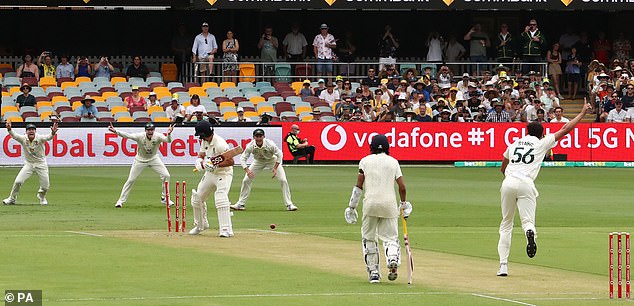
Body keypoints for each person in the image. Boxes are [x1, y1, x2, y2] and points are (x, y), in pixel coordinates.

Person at [496, 102, 591, 277]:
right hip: (526, 184)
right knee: (527, 222)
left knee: (506, 224)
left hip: (508, 182)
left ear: (527, 132)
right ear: (541, 134)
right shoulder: (541, 143)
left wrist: (509, 180)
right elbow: (565, 129)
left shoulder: (515, 143)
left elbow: (503, 167)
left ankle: (503, 266)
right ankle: (530, 233)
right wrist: (583, 113)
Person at [344, 134, 411, 283]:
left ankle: (374, 272)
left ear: (371, 147)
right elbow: (402, 187)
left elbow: (358, 186)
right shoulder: (393, 162)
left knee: (369, 238)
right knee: (391, 238)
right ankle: (392, 258)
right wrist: (404, 204)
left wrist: (352, 206)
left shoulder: (365, 161)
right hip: (389, 205)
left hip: (370, 204)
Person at [108, 122, 174, 208]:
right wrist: (116, 131)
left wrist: (169, 134)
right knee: (131, 180)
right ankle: (120, 201)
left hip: (154, 159)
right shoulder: (140, 136)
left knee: (166, 175)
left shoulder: (158, 136)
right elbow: (128, 135)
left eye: (152, 130)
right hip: (140, 160)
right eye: (148, 130)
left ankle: (165, 198)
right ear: (145, 130)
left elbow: (168, 140)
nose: (150, 132)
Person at [230, 128, 298, 212]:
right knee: (246, 180)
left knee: (283, 180)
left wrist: (275, 168)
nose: (258, 138)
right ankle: (240, 204)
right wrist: (247, 170)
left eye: (260, 136)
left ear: (264, 136)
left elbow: (280, 155)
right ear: (254, 137)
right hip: (258, 161)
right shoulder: (250, 145)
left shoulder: (270, 144)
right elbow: (243, 158)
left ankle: (289, 204)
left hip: (272, 160)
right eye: (256, 136)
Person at [189, 121, 235, 237]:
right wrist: (199, 161)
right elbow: (201, 155)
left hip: (223, 174)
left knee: (220, 198)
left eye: (201, 135)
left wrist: (216, 165)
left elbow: (231, 162)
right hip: (210, 174)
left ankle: (226, 229)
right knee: (197, 198)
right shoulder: (205, 141)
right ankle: (201, 225)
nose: (200, 137)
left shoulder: (220, 144)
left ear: (205, 133)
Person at [3, 121, 58, 206]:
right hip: (29, 164)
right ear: (26, 132)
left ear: (35, 131)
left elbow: (48, 137)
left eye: (32, 129)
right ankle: (11, 199)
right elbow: (15, 136)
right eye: (29, 130)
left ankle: (42, 197)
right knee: (18, 181)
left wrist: (53, 132)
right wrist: (9, 129)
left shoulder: (39, 138)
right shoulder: (23, 139)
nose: (31, 131)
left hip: (41, 164)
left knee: (45, 186)